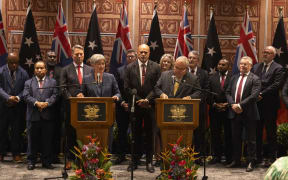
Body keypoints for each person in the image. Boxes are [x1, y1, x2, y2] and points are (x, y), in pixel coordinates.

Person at [124, 44, 161, 173]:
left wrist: (147, 100)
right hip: (136, 106)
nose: (143, 54)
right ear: (138, 53)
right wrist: (139, 99)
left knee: (150, 134)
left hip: (150, 106)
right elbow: (127, 87)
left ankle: (149, 162)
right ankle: (134, 160)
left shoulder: (156, 67)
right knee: (135, 134)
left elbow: (157, 86)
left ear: (149, 53)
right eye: (141, 52)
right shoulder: (129, 67)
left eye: (146, 52)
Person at [60, 44, 94, 169]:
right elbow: (62, 88)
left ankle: (84, 159)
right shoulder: (65, 69)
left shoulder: (90, 69)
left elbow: (93, 87)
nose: (79, 56)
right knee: (71, 133)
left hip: (86, 108)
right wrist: (72, 99)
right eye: (76, 54)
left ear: (84, 55)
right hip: (71, 107)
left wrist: (84, 96)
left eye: (81, 54)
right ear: (72, 55)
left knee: (85, 134)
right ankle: (69, 159)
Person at [225, 56, 261, 172]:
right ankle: (236, 160)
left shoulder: (255, 79)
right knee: (235, 137)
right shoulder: (234, 77)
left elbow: (254, 96)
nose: (242, 66)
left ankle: (251, 161)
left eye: (245, 64)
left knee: (251, 139)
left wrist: (240, 105)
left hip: (249, 113)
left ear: (250, 66)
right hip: (234, 112)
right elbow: (228, 92)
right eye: (241, 64)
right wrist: (233, 105)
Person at [252, 46, 284, 167]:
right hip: (257, 104)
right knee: (257, 132)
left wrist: (261, 93)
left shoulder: (278, 68)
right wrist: (255, 94)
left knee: (271, 132)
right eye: (264, 52)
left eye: (268, 53)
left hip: (270, 105)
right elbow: (253, 81)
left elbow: (276, 85)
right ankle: (257, 157)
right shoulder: (256, 67)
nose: (264, 54)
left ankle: (272, 157)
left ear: (273, 55)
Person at [23, 61, 58, 170]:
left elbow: (55, 95)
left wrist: (47, 103)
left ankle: (46, 162)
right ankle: (31, 161)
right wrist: (36, 103)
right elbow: (26, 95)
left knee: (47, 140)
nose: (39, 70)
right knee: (32, 141)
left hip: (47, 116)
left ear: (45, 70)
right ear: (34, 70)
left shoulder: (53, 82)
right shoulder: (28, 82)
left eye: (41, 68)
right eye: (37, 68)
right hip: (33, 116)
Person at [0, 53, 29, 162]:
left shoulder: (24, 73)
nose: (14, 65)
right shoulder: (1, 71)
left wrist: (17, 97)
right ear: (7, 62)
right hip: (3, 106)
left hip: (17, 107)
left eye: (16, 63)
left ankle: (16, 153)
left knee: (17, 131)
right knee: (2, 130)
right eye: (11, 63)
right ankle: (1, 152)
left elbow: (26, 89)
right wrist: (8, 97)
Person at [114, 49, 137, 164]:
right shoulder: (119, 71)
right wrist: (123, 102)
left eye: (132, 56)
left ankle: (135, 157)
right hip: (122, 106)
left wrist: (133, 103)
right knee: (121, 132)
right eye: (128, 56)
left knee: (136, 132)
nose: (130, 58)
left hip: (136, 106)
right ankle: (120, 155)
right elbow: (116, 89)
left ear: (136, 58)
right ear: (125, 58)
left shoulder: (139, 70)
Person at [208, 58, 233, 165]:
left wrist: (227, 104)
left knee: (228, 134)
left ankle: (228, 157)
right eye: (219, 64)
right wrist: (214, 104)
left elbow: (235, 92)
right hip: (215, 110)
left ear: (228, 66)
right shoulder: (211, 77)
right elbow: (207, 93)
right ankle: (216, 156)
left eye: (223, 64)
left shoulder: (233, 77)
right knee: (215, 134)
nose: (220, 66)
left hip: (228, 110)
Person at [187, 50, 209, 164]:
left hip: (199, 108)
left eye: (193, 58)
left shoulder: (204, 73)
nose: (191, 60)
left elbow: (206, 90)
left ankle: (198, 156)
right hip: (185, 109)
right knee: (187, 133)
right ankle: (186, 155)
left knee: (199, 133)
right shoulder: (183, 72)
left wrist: (196, 100)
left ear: (198, 60)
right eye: (189, 57)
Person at [45, 50, 62, 163]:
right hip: (43, 107)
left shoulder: (61, 70)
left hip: (57, 107)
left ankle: (55, 156)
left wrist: (52, 100)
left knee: (56, 132)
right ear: (46, 57)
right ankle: (44, 155)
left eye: (54, 57)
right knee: (45, 133)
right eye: (50, 56)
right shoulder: (41, 69)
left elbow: (61, 87)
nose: (52, 58)